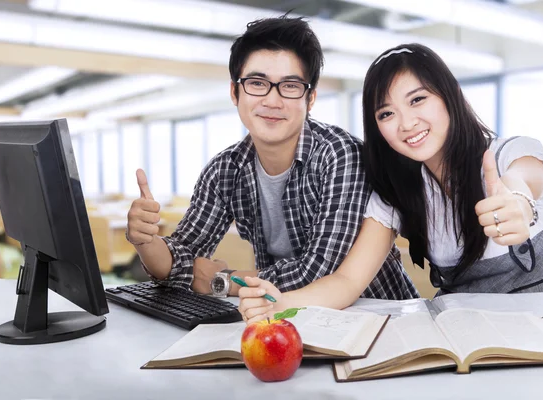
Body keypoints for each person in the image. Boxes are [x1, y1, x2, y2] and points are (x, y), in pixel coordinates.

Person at [238, 43, 543, 323]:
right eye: (386, 114)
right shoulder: (397, 192)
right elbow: (348, 280)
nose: (407, 123)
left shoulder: (506, 155)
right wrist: (280, 303)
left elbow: (524, 179)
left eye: (417, 100)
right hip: (466, 342)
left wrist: (518, 202)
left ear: (451, 95)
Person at [125, 16, 418, 300]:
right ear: (235, 92)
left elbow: (317, 272)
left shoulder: (340, 155)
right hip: (288, 320)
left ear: (310, 99)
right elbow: (179, 260)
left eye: (290, 86)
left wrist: (221, 281)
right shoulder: (225, 170)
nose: (272, 100)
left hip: (379, 319)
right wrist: (146, 242)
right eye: (257, 83)